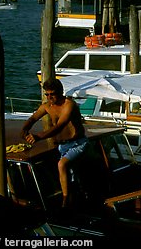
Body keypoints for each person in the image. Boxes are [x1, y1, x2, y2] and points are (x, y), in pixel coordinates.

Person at [20, 78, 87, 208]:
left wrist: (39, 136)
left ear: (60, 92)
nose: (50, 97)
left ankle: (65, 202)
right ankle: (74, 196)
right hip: (62, 146)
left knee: (62, 165)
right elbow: (33, 117)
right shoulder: (47, 106)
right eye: (47, 94)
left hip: (78, 143)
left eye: (53, 94)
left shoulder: (69, 105)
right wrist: (24, 129)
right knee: (67, 173)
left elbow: (60, 126)